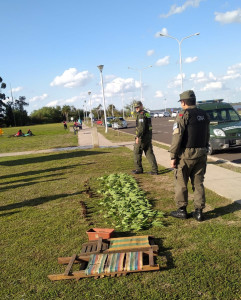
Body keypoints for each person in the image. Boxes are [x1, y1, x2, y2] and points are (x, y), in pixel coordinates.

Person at [169, 90, 210, 222]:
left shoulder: (183, 114)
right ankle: (199, 211)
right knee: (198, 183)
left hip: (186, 155)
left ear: (184, 102)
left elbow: (177, 136)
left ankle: (182, 210)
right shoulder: (203, 114)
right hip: (201, 153)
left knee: (181, 182)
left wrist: (173, 156)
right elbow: (207, 134)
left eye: (181, 101)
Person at [132, 101, 158, 175]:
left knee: (137, 153)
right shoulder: (147, 113)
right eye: (136, 107)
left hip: (142, 138)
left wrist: (138, 137)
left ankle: (139, 169)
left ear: (141, 106)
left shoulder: (140, 115)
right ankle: (154, 170)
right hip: (148, 137)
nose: (137, 108)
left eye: (138, 107)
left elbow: (141, 128)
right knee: (149, 153)